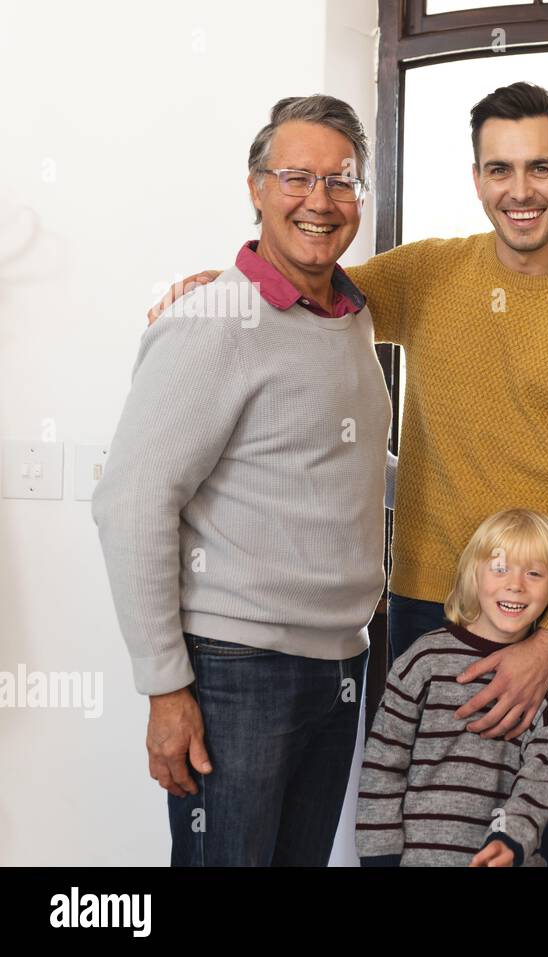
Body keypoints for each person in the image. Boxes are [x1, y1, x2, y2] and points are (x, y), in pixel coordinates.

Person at [147, 82, 548, 866]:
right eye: (498, 169)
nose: (519, 191)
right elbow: (308, 284)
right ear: (477, 178)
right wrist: (213, 291)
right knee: (426, 834)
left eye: (539, 169)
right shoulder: (427, 274)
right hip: (428, 609)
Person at [94, 95, 387, 865]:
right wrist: (165, 688)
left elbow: (338, 460)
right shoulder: (213, 321)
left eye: (341, 180)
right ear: (256, 188)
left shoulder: (350, 316)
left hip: (338, 665)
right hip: (236, 673)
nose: (319, 200)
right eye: (296, 176)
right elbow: (130, 501)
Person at [356, 509, 548, 866]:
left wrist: (511, 839)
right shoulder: (423, 661)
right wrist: (379, 855)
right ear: (473, 574)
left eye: (534, 573)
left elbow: (540, 781)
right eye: (500, 567)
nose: (516, 585)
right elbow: (383, 763)